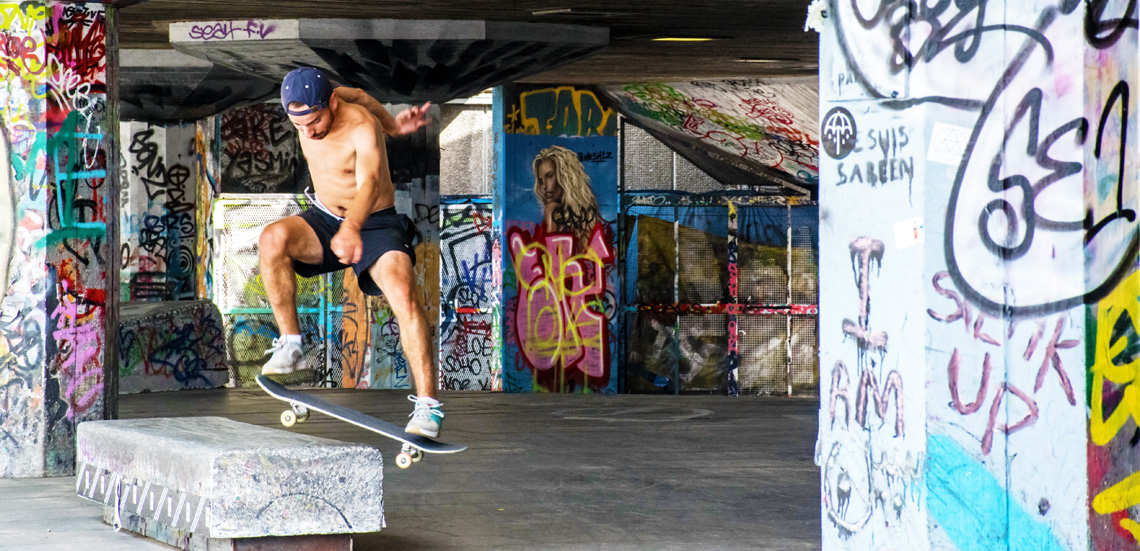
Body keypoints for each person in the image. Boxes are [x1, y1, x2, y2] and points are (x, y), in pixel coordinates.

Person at [257, 67, 444, 437]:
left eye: (315, 121)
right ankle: (292, 344)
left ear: (331, 103)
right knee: (271, 239)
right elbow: (360, 91)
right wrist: (394, 124)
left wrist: (353, 228)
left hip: (374, 222)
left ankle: (428, 408)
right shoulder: (331, 100)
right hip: (325, 218)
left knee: (404, 295)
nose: (309, 132)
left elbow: (370, 183)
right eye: (300, 126)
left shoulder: (359, 126)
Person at [532, 145, 602, 251]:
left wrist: (550, 214)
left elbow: (552, 261)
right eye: (541, 181)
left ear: (565, 177)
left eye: (549, 176)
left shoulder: (586, 219)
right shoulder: (549, 218)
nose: (544, 186)